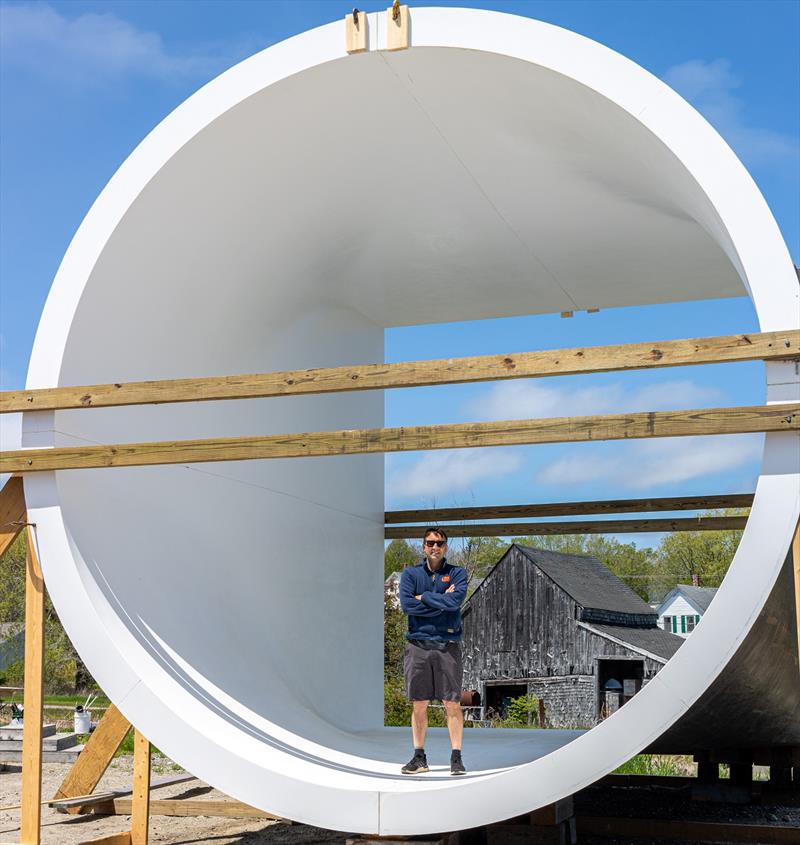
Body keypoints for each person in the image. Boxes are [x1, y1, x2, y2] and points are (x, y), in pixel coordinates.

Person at [398, 527, 468, 775]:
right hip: (417, 645)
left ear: (446, 547)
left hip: (447, 646)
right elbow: (407, 605)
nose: (435, 547)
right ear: (423, 546)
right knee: (419, 704)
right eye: (430, 543)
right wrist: (438, 601)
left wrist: (423, 597)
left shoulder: (457, 574)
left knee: (452, 703)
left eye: (439, 543)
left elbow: (454, 603)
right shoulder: (410, 574)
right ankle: (419, 758)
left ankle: (456, 758)